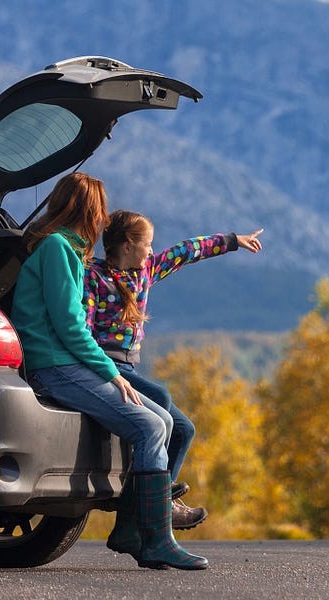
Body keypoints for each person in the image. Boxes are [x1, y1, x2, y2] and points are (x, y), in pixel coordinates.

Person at [11, 173, 207, 571]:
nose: (103, 220)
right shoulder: (57, 249)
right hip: (56, 366)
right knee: (151, 426)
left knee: (165, 421)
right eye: (99, 209)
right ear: (88, 209)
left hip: (66, 362)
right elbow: (69, 326)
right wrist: (111, 373)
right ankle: (156, 540)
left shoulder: (65, 250)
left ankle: (135, 530)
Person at [85, 209, 264, 531]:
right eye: (148, 244)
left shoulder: (146, 271)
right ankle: (154, 502)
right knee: (161, 398)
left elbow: (187, 251)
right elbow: (82, 329)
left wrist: (233, 241)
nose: (152, 251)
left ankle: (161, 494)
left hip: (131, 365)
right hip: (107, 365)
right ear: (127, 245)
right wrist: (99, 369)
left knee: (184, 430)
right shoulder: (93, 277)